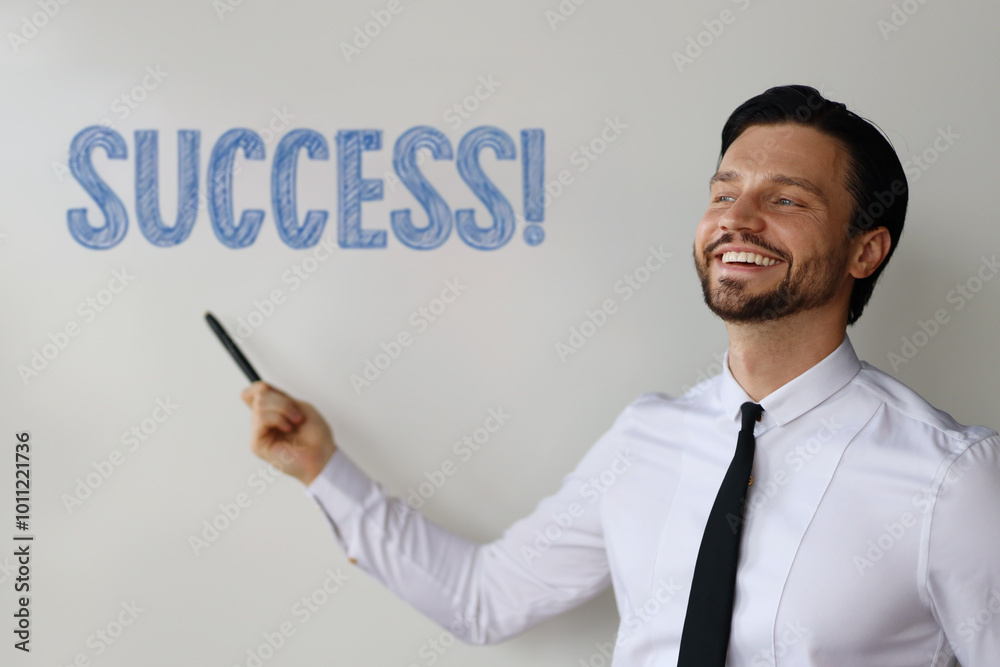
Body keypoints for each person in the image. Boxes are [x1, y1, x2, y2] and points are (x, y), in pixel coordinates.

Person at [240, 85, 999, 666]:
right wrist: (321, 467)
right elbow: (485, 598)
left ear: (866, 249)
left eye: (787, 199)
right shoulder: (648, 435)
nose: (739, 218)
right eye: (724, 192)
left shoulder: (952, 477)